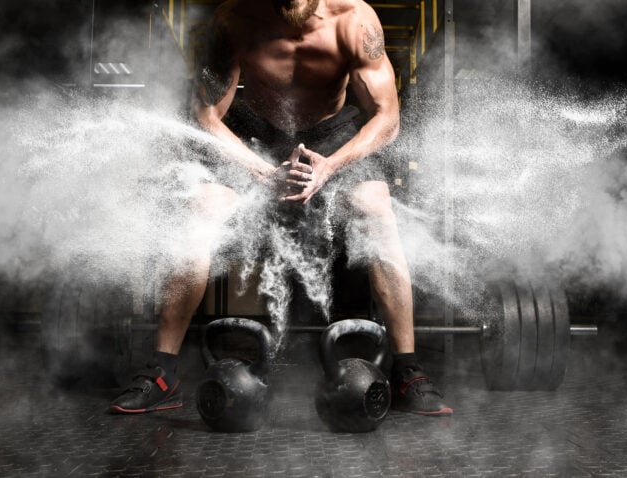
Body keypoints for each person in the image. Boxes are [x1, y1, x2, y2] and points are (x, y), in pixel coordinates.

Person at [110, 0, 452, 416]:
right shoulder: (235, 18)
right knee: (202, 207)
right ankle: (163, 371)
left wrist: (330, 167)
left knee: (374, 205)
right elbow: (207, 115)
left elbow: (387, 117)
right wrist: (262, 173)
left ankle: (406, 370)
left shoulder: (354, 20)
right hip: (254, 135)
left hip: (333, 135)